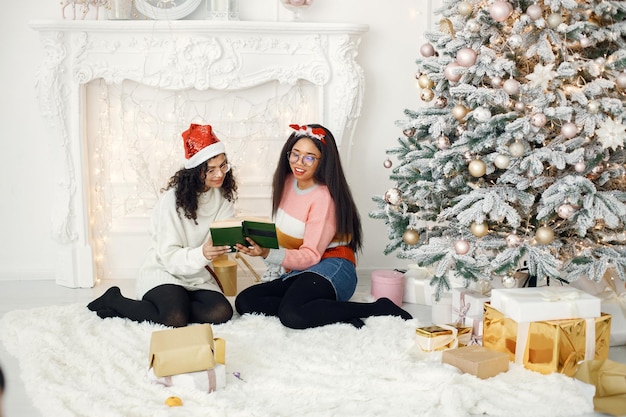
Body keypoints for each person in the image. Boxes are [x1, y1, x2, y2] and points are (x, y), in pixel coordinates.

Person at [234, 124, 412, 329]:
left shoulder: (323, 197)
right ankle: (327, 311)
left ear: (323, 161)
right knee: (246, 301)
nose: (299, 163)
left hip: (333, 266)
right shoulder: (287, 182)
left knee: (292, 314)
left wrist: (268, 253)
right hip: (301, 270)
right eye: (295, 154)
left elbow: (311, 255)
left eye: (309, 157)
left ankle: (377, 308)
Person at [87, 124, 236, 327]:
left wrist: (237, 243)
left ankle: (174, 303)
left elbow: (222, 240)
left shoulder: (223, 198)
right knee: (173, 318)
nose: (219, 174)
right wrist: (203, 253)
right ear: (195, 170)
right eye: (211, 169)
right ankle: (114, 300)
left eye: (223, 165)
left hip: (196, 274)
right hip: (164, 269)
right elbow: (170, 256)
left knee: (221, 312)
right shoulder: (172, 201)